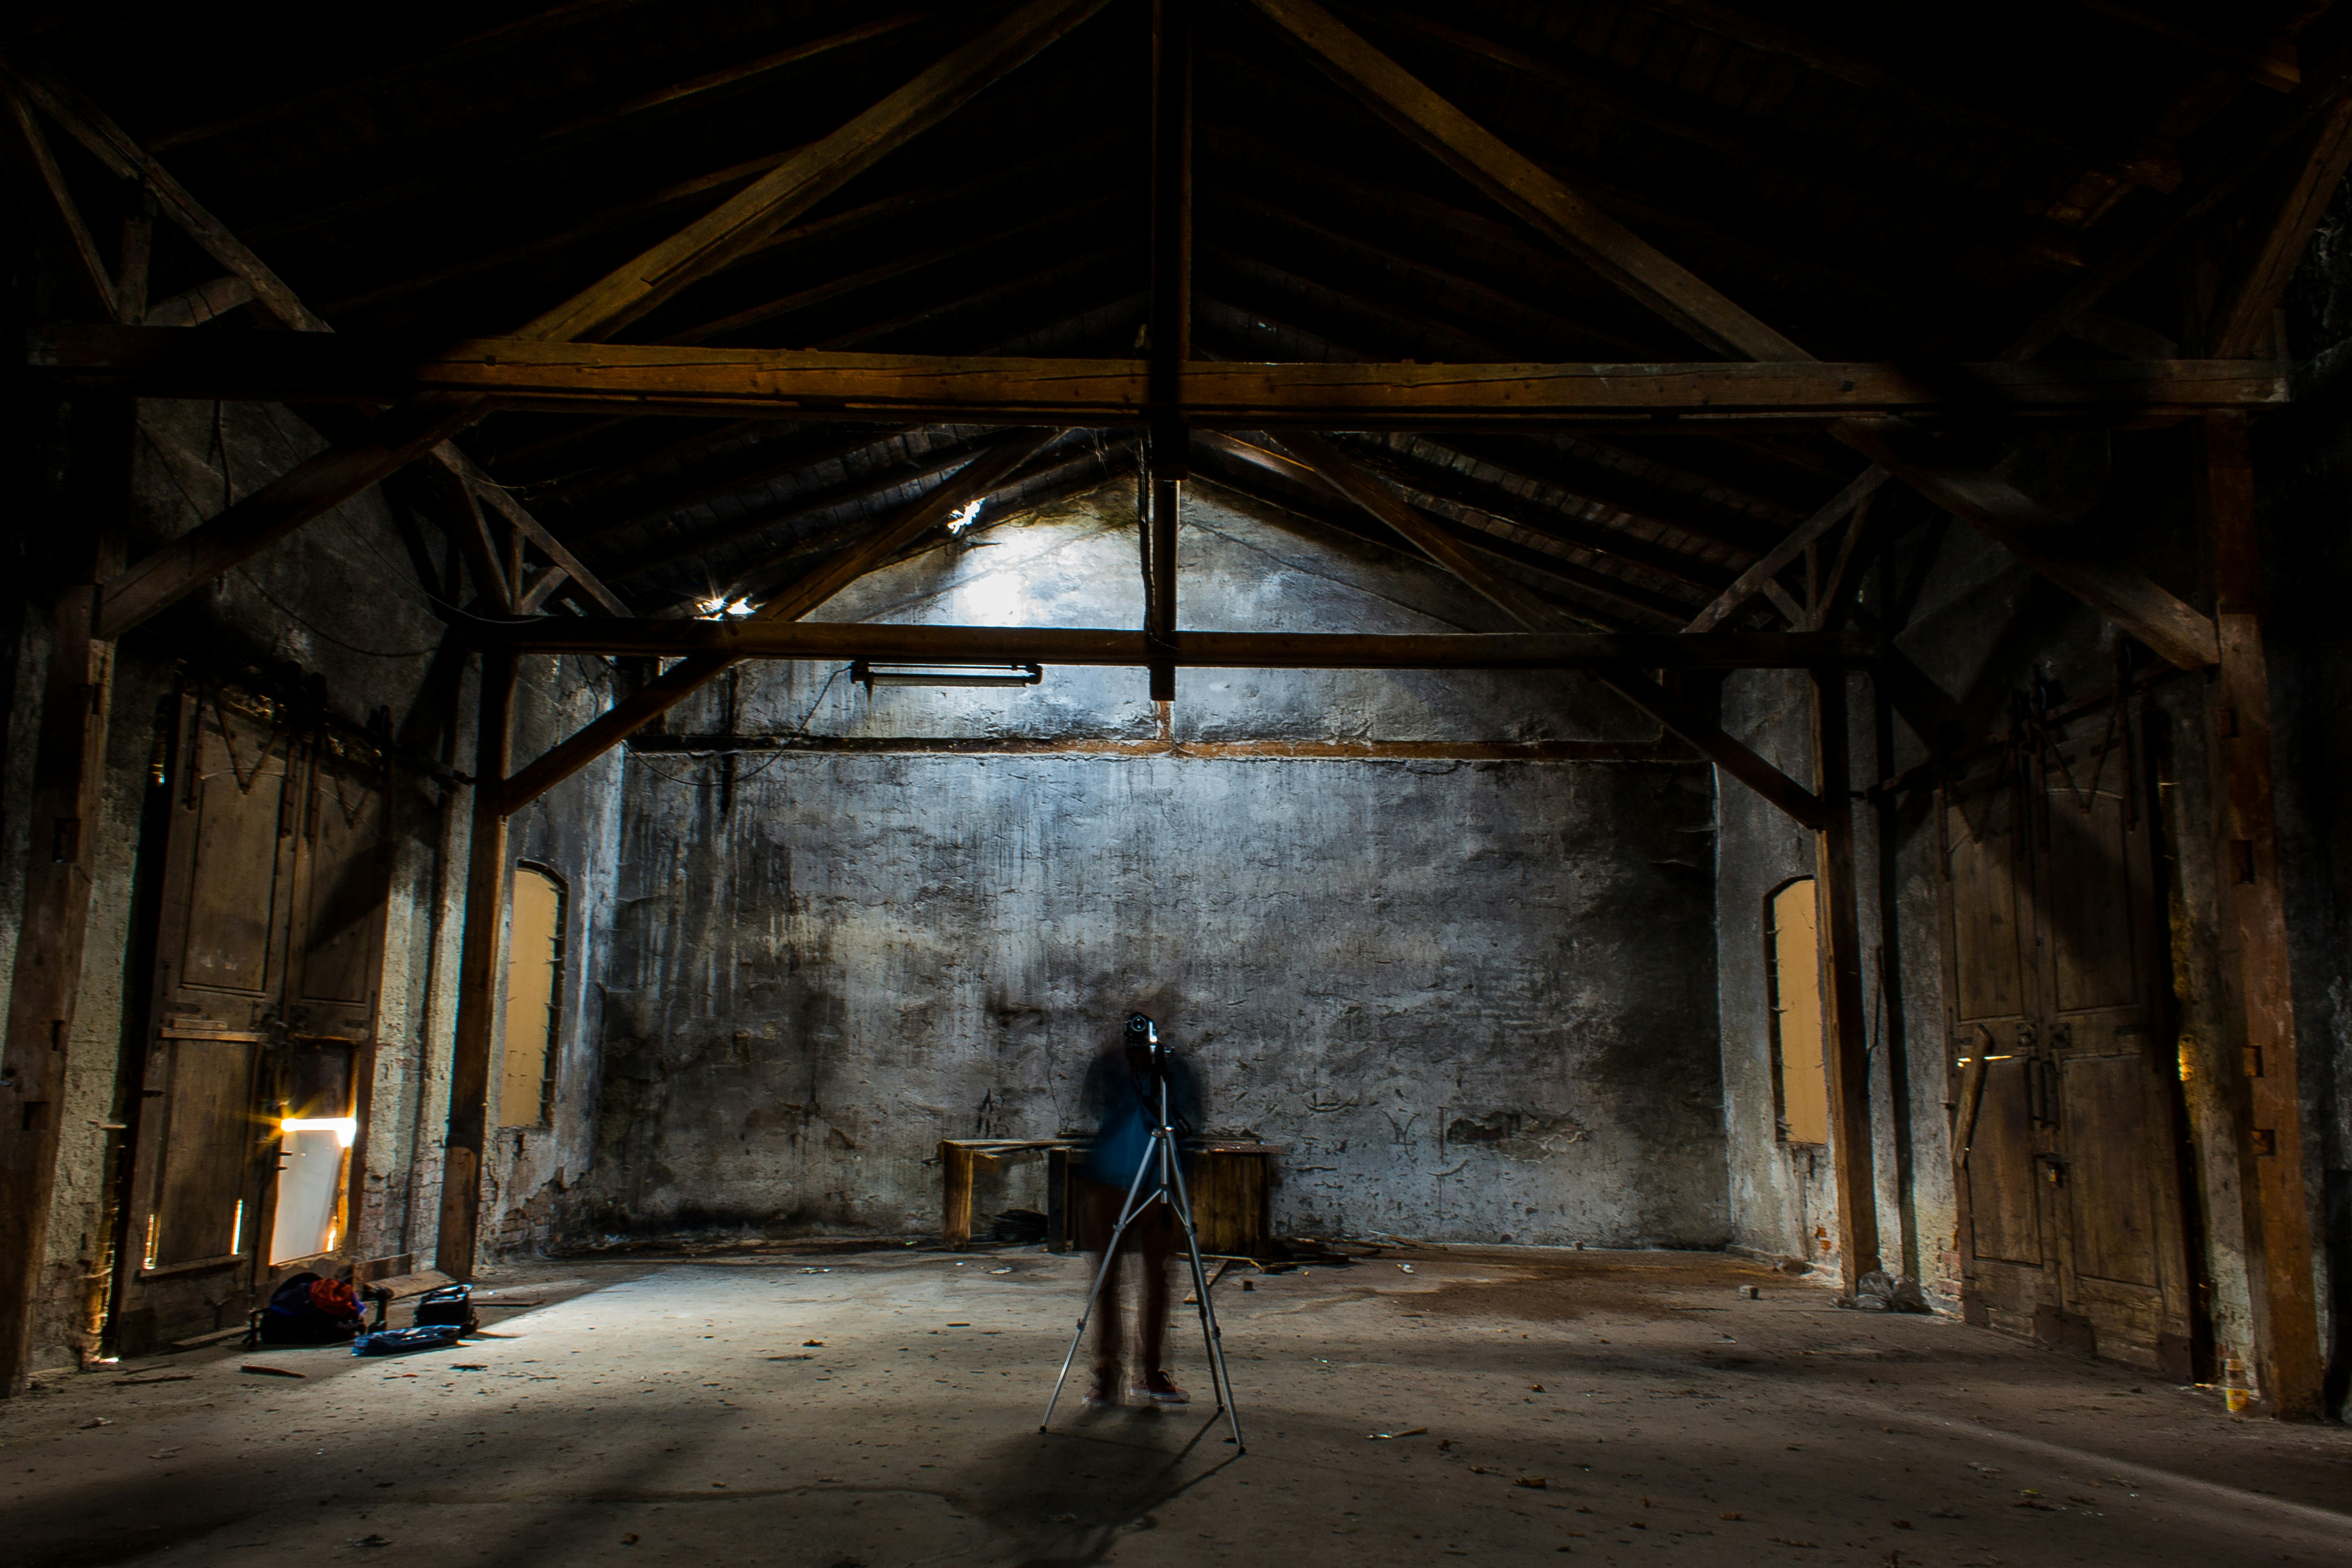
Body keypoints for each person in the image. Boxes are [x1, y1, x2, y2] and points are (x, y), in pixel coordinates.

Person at [1076, 1011, 1202, 1409]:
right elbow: (1093, 1109)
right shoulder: (1109, 1067)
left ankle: (1150, 1373)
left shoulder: (1175, 1068)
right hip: (1113, 1179)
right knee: (1108, 1278)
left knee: (1158, 1278)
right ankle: (1106, 1375)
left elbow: (1189, 1120)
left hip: (1159, 1179)